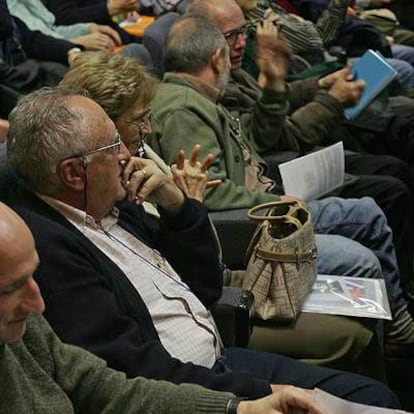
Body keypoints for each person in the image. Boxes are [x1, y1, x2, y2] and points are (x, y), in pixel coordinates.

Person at [5, 86, 398, 407]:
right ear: (74, 173)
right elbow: (133, 370)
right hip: (195, 385)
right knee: (368, 396)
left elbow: (206, 286)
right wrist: (252, 396)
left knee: (367, 388)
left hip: (217, 354)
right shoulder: (50, 250)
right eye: (112, 147)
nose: (128, 154)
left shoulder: (114, 205)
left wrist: (176, 205)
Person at [59, 50, 387, 377]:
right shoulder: (103, 197)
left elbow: (193, 264)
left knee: (363, 290)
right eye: (138, 120)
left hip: (210, 278)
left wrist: (183, 205)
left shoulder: (138, 163)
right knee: (358, 259)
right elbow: (188, 281)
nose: (147, 128)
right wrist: (190, 206)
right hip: (211, 303)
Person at [147, 13, 414, 352]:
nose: (241, 45)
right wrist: (279, 203)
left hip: (269, 198)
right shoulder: (183, 111)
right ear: (217, 58)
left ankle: (395, 323)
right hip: (261, 220)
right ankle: (401, 334)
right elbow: (209, 194)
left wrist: (274, 85)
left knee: (375, 198)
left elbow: (259, 138)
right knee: (368, 216)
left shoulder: (201, 96)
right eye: (233, 39)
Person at [0, 201, 330, 414]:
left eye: (33, 277)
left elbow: (104, 388)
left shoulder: (27, 332)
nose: (37, 303)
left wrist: (237, 410)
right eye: (13, 287)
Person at [185, 0, 414, 291]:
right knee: (390, 186)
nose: (242, 43)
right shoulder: (199, 96)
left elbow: (268, 105)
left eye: (244, 32)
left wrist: (316, 86)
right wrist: (330, 100)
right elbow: (280, 134)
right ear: (202, 41)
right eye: (230, 36)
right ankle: (400, 301)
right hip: (278, 176)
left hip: (287, 159)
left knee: (394, 166)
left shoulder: (230, 71)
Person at [7, 0, 122, 52]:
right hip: (41, 67)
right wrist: (73, 43)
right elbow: (34, 42)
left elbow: (51, 29)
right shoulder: (8, 7)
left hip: (61, 49)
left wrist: (88, 28)